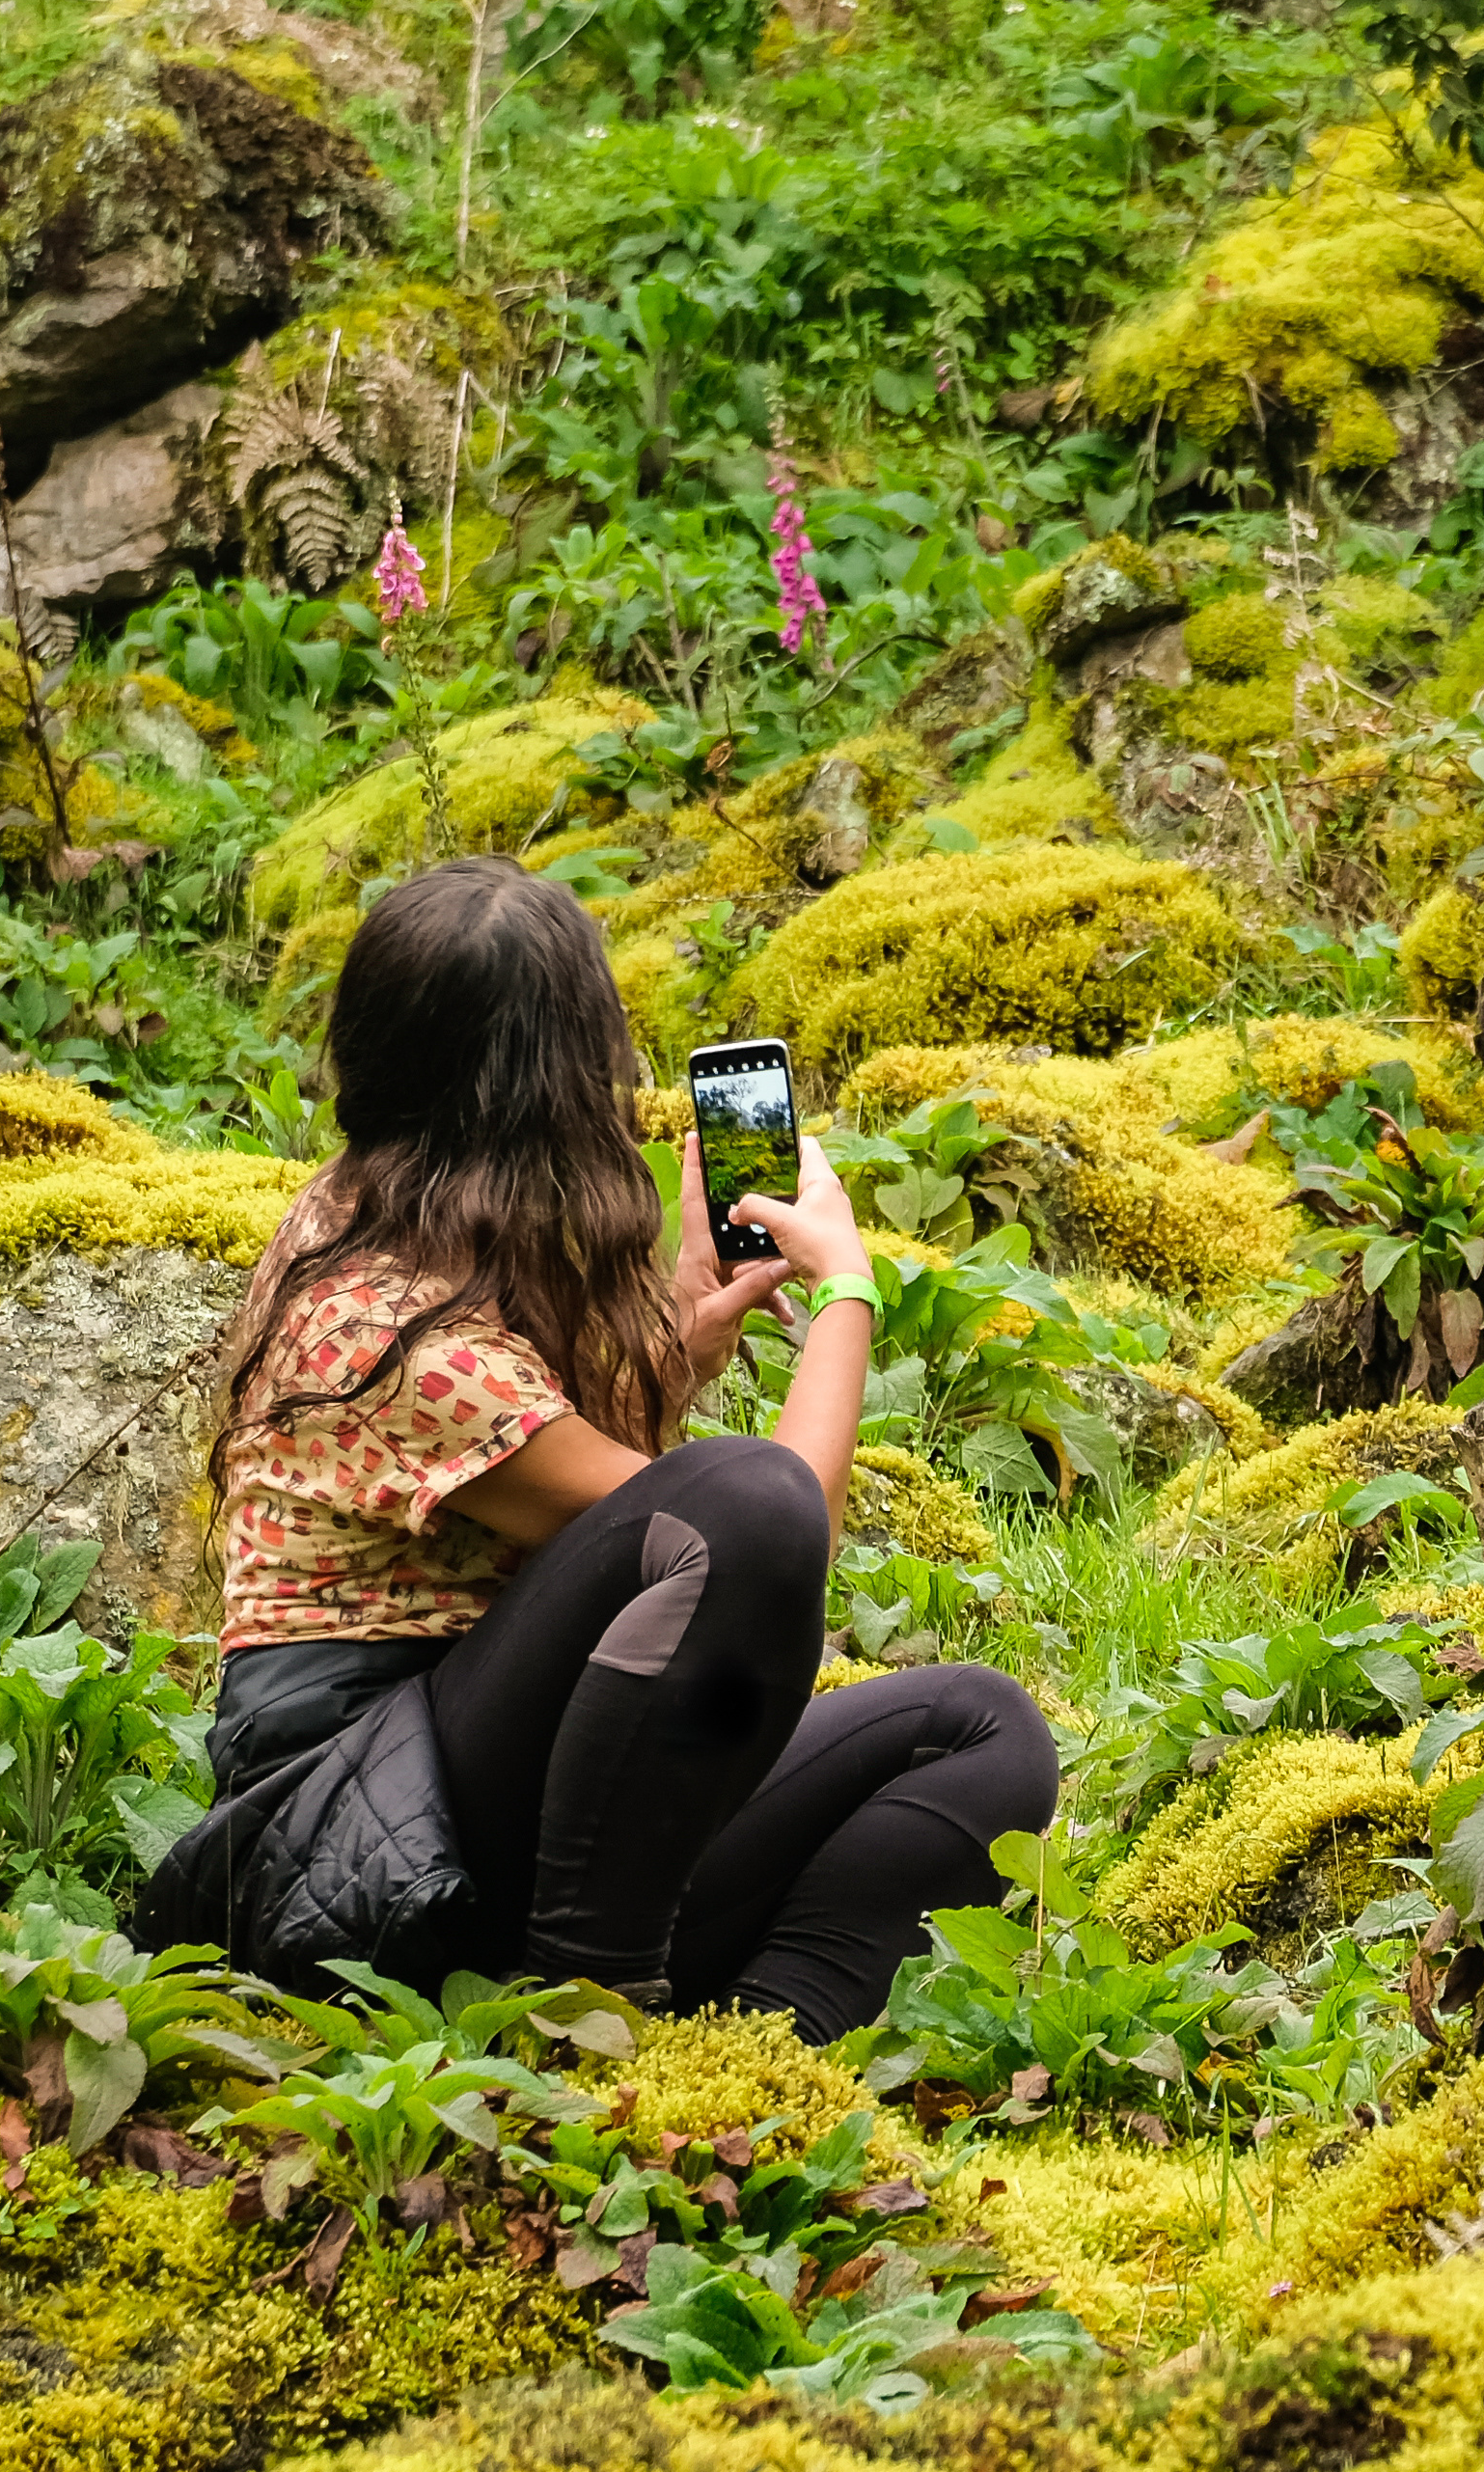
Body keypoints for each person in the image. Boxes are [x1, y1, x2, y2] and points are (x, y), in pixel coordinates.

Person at [132, 853, 1058, 2035]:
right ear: (566, 1082)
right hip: (349, 1848)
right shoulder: (375, 1327)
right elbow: (781, 1532)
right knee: (750, 1501)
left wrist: (675, 1343)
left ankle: (764, 2045)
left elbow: (587, 1509)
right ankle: (590, 2012)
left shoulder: (382, 1214)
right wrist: (847, 1292)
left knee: (985, 1733)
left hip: (511, 1803)